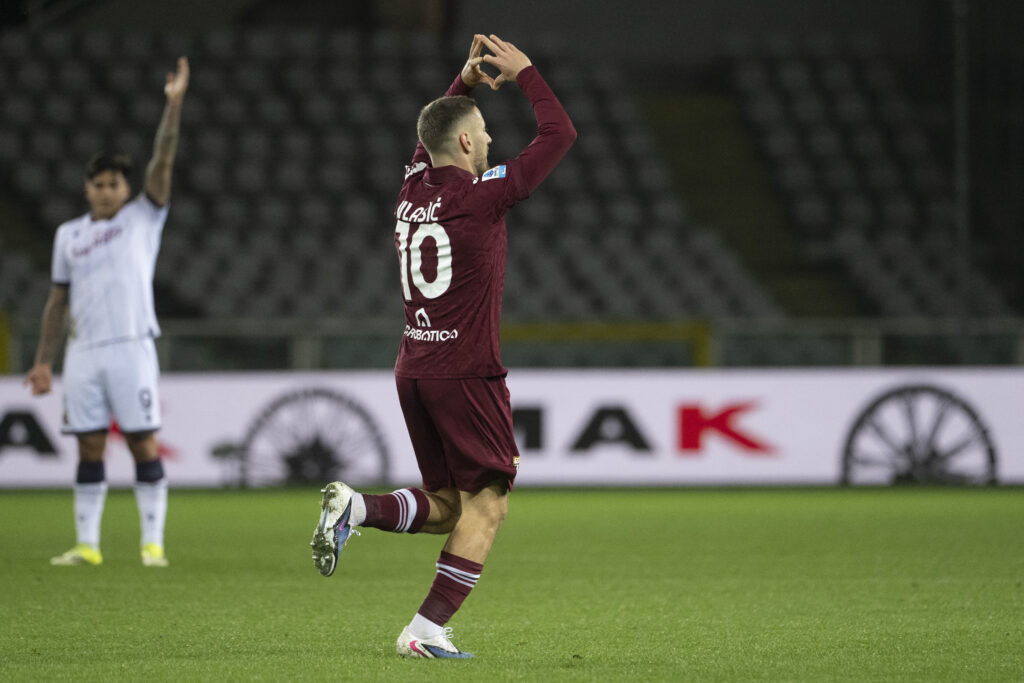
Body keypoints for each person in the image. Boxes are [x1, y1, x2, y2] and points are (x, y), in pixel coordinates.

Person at [311, 34, 576, 659]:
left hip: (415, 366)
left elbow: (429, 137)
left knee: (448, 506)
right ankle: (424, 631)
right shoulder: (484, 195)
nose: (488, 140)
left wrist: (460, 87)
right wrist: (528, 73)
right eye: (482, 130)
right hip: (465, 372)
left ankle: (356, 509)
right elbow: (559, 134)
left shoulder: (411, 191)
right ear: (463, 143)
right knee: (488, 506)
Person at [24, 57, 190, 568]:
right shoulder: (67, 236)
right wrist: (43, 360)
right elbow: (57, 300)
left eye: (115, 183)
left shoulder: (144, 217)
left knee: (143, 442)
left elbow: (161, 163)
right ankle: (88, 545)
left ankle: (152, 545)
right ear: (87, 188)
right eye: (99, 184)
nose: (107, 190)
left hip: (131, 345)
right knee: (90, 447)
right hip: (83, 353)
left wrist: (173, 106)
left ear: (125, 188)